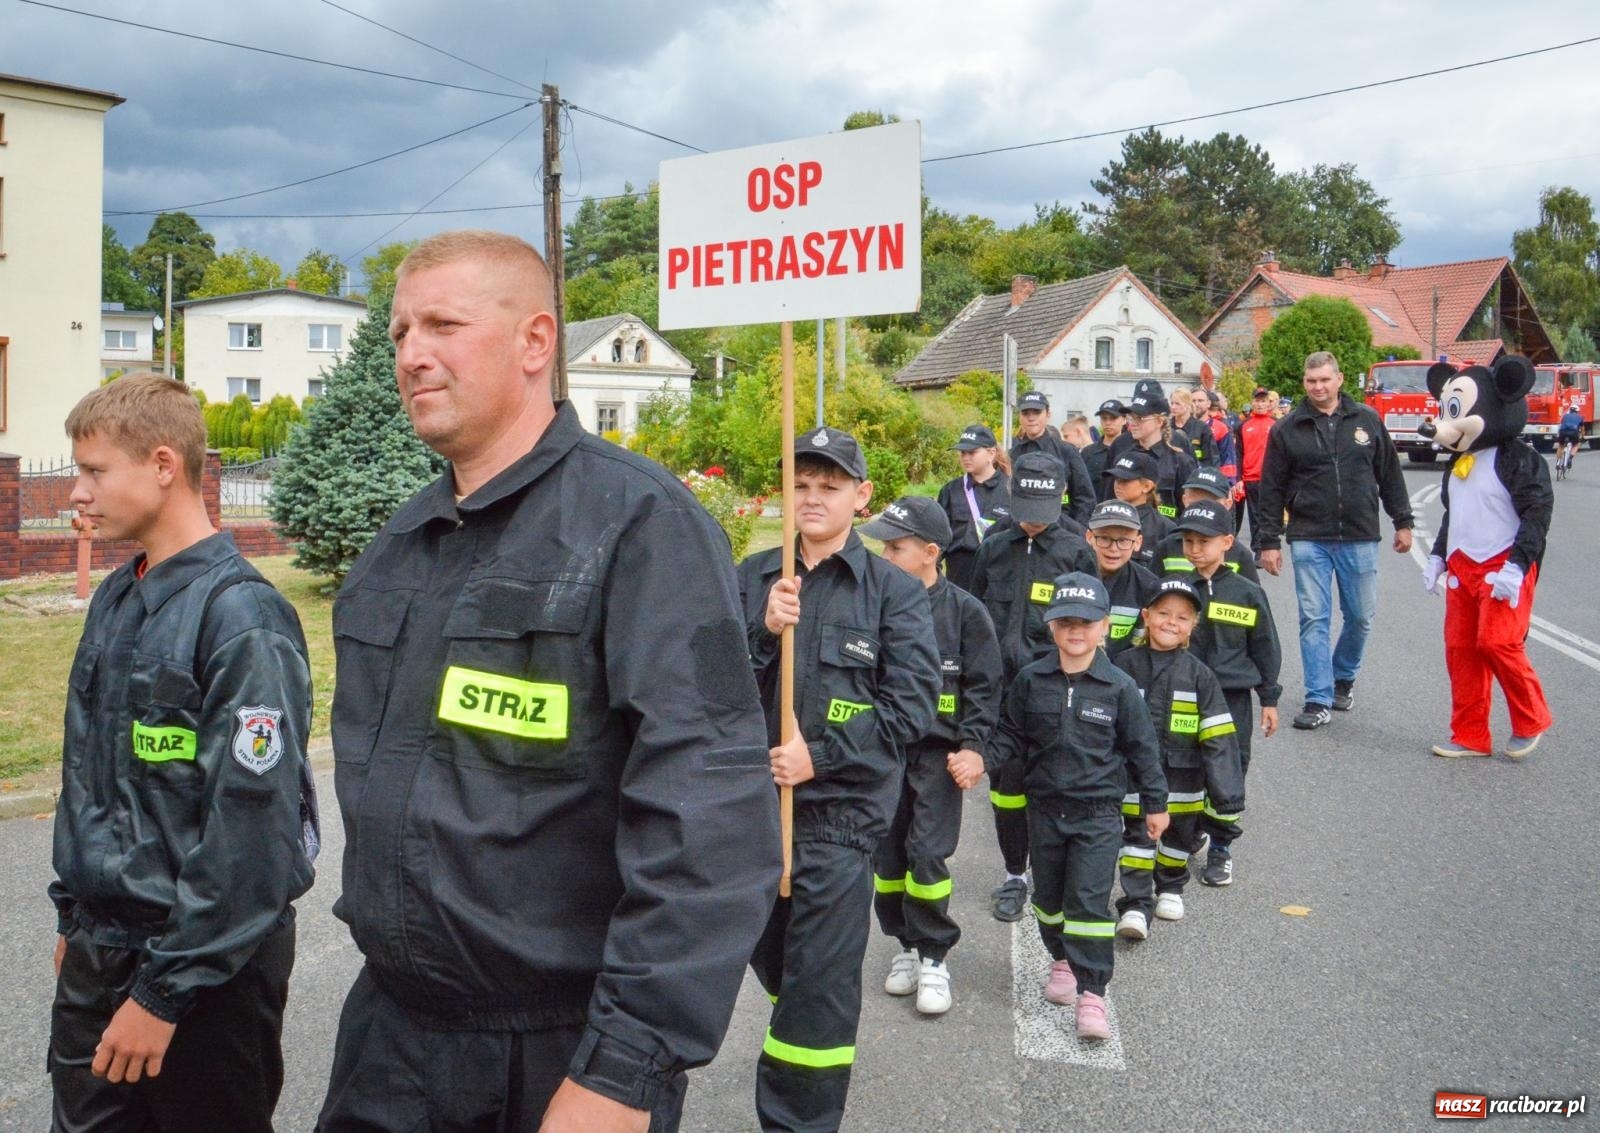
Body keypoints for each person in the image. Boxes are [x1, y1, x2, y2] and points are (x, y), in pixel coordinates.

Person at [318, 231, 781, 1133]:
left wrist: (625, 1067)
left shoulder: (643, 526)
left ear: (536, 343)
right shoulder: (398, 546)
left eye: (444, 323)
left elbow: (711, 817)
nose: (412, 352)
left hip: (557, 1056)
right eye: (400, 331)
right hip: (391, 1040)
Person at [50, 373, 318, 1133]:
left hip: (205, 975)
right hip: (103, 952)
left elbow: (253, 834)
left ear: (164, 465)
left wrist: (163, 994)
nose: (77, 490)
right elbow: (90, 779)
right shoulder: (118, 595)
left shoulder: (244, 617)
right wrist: (77, 921)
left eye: (95, 470)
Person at [738, 426, 940, 1132]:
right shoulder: (754, 575)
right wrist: (762, 630)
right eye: (801, 483)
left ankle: (798, 1122)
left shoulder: (894, 594)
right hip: (752, 816)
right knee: (775, 966)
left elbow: (911, 706)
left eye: (829, 485)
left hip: (840, 822)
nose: (812, 496)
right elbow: (704, 684)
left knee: (816, 998)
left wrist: (818, 754)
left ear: (862, 495)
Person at [962, 571, 1167, 1041]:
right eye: (1066, 622)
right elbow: (1010, 735)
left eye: (1087, 622)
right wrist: (979, 760)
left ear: (1105, 628)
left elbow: (1144, 751)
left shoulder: (1118, 688)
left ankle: (1093, 993)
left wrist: (1155, 804)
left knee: (1088, 904)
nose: (1076, 631)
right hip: (1045, 813)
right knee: (1049, 903)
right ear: (1051, 627)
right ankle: (1060, 960)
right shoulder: (1032, 681)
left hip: (1097, 815)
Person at [861, 496, 1002, 1016]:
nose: (885, 556)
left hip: (939, 757)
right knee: (888, 859)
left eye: (895, 548)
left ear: (930, 552)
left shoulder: (966, 613)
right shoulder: (872, 607)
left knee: (927, 855)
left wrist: (973, 747)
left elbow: (986, 688)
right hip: (884, 753)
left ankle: (934, 955)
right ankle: (903, 945)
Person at [968, 453, 1098, 923]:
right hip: (1000, 692)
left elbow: (1087, 626)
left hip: (1053, 687)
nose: (1031, 523)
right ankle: (1013, 874)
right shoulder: (994, 545)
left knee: (1052, 784)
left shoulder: (1075, 551)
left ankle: (1055, 873)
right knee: (1006, 790)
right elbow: (975, 613)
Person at [1256, 351, 1414, 731]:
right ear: (1304, 383)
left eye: (1325, 380)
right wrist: (1269, 541)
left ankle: (1343, 676)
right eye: (1311, 381)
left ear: (1340, 379)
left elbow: (1390, 474)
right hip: (1309, 537)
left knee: (1360, 617)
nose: (1318, 387)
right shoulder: (1287, 429)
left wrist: (1403, 521)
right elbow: (1271, 488)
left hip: (1359, 535)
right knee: (1314, 619)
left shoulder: (1367, 420)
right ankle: (1318, 698)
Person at [1112, 577, 1245, 940]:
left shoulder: (1201, 677)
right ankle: (1136, 903)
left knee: (1178, 838)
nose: (1171, 622)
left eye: (1182, 617)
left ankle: (1170, 886)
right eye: (1163, 613)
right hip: (1133, 775)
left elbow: (1219, 737)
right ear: (1146, 615)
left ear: (1193, 626)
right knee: (1136, 838)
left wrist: (1227, 794)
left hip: (1185, 778)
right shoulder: (1122, 665)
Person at [1176, 500, 1281, 888]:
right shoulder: (1176, 591)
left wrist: (1268, 698)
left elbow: (1266, 646)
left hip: (1232, 699)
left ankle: (1221, 846)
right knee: (1186, 767)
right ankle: (1187, 834)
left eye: (1203, 541)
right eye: (1187, 541)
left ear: (1227, 542)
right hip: (1184, 696)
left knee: (1229, 772)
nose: (1195, 549)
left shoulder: (1247, 593)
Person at [936, 423, 1011, 592]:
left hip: (998, 575)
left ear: (991, 454)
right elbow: (938, 535)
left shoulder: (1010, 489)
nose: (966, 457)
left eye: (972, 452)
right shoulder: (951, 490)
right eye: (963, 453)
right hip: (959, 575)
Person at [1153, 467, 1260, 583]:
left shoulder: (1241, 556)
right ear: (1184, 500)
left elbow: (1252, 596)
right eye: (1196, 502)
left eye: (1210, 503)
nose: (1202, 510)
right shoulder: (1166, 548)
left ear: (1227, 504)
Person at [1084, 499, 1160, 657]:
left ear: (1138, 543)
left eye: (1123, 540)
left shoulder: (1148, 585)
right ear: (1089, 537)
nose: (1113, 549)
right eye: (1104, 538)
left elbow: (1140, 650)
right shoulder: (1067, 574)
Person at [1105, 387, 1197, 517]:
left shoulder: (1180, 462)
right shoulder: (1123, 458)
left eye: (1139, 418)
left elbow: (1190, 509)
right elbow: (1108, 501)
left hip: (1166, 532)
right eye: (1131, 418)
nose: (1133, 424)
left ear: (1159, 421)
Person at [1010, 390, 1096, 526]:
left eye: (1037, 412)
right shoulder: (1012, 454)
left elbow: (1085, 497)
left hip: (1060, 528)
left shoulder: (1066, 451)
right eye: (1025, 413)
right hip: (1021, 529)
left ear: (1048, 415)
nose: (1031, 418)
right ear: (1019, 416)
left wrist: (1078, 531)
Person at [1105, 450, 1173, 571]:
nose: (1117, 484)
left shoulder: (1165, 528)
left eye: (1125, 480)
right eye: (1116, 479)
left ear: (1146, 486)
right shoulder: (1101, 518)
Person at [1237, 386, 1277, 552]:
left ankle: (1269, 545)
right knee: (1254, 515)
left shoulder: (1276, 424)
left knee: (1268, 513)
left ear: (1269, 403)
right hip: (1251, 477)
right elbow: (1238, 453)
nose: (1260, 404)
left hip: (1271, 477)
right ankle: (1258, 548)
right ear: (1252, 402)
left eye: (1263, 401)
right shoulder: (1243, 426)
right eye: (1257, 401)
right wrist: (1239, 478)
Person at [1082, 400, 1125, 498]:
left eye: (1113, 418)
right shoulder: (1088, 452)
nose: (1108, 423)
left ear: (1124, 419)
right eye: (1104, 418)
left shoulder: (1131, 451)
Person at [1170, 388, 1216, 467]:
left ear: (1188, 405)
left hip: (1194, 473)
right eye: (1172, 403)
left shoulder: (1201, 428)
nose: (1173, 407)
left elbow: (1211, 459)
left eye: (1177, 404)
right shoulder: (1166, 427)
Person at [1556, 403, 1582, 473]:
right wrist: (1582, 436)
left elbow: (1561, 424)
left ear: (1570, 410)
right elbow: (1581, 428)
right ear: (1577, 411)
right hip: (1573, 433)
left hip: (1563, 432)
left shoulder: (1565, 416)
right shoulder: (1580, 417)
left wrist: (1559, 433)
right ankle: (1570, 458)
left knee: (1561, 446)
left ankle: (1558, 462)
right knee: (1576, 445)